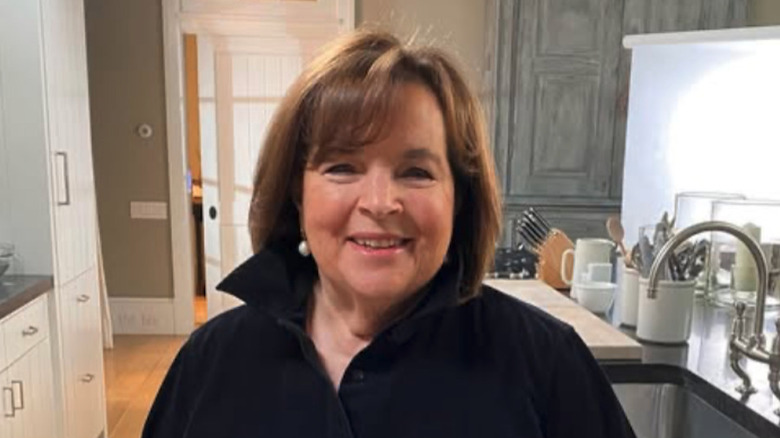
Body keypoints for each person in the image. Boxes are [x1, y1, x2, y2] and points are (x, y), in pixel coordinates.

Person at [142, 29, 636, 438]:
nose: (379, 202)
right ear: (298, 192)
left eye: (416, 171)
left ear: (458, 196)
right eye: (341, 167)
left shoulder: (547, 364)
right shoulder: (211, 362)